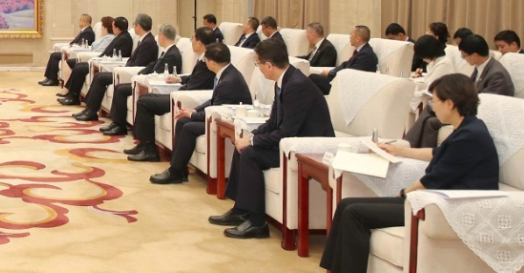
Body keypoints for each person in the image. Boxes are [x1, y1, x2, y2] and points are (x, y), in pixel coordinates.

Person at [308, 74, 499, 273]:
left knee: (355, 213)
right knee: (346, 204)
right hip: (432, 201)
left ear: (450, 103)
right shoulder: (467, 129)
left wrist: (404, 192)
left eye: (436, 101)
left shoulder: (470, 136)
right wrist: (398, 150)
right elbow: (438, 154)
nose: (433, 106)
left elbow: (433, 179)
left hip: (444, 208)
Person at [212, 38, 333, 239]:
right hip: (290, 141)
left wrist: (252, 142)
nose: (257, 67)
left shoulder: (296, 85)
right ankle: (241, 210)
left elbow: (286, 132)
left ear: (269, 65)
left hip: (306, 148)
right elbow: (273, 122)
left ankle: (257, 223)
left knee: (250, 153)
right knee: (242, 146)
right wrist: (251, 136)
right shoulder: (285, 80)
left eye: (258, 63)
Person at [149, 43, 252, 184]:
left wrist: (193, 116)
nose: (205, 62)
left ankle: (175, 171)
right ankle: (179, 170)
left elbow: (216, 109)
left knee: (188, 127)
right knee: (182, 122)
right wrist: (194, 110)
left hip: (228, 121)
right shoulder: (226, 73)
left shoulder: (229, 80)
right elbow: (213, 100)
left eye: (206, 60)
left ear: (212, 63)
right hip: (218, 115)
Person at [116, 27, 216, 158]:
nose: (191, 42)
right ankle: (143, 144)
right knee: (145, 97)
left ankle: (149, 149)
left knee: (144, 102)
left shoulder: (208, 61)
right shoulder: (203, 58)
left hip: (186, 98)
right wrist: (179, 78)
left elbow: (196, 85)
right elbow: (194, 78)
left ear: (199, 42)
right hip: (181, 93)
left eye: (193, 39)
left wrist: (178, 92)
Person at [404, 34, 515, 148]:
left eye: (464, 56)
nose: (464, 59)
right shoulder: (481, 67)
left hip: (478, 114)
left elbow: (486, 104)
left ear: (475, 55)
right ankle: (414, 149)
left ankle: (411, 146)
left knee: (431, 118)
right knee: (431, 109)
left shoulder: (497, 74)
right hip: (470, 108)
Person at [74, 21, 178, 127]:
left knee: (115, 86)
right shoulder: (163, 50)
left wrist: (140, 74)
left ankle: (115, 122)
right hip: (137, 74)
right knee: (103, 79)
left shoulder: (163, 49)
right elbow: (151, 65)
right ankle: (93, 110)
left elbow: (155, 70)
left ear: (162, 37)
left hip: (147, 80)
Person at [65, 14, 158, 111]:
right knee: (97, 75)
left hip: (130, 73)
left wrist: (122, 68)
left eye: (135, 25)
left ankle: (91, 109)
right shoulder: (143, 40)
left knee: (100, 77)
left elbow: (139, 64)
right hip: (124, 69)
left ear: (139, 26)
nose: (134, 27)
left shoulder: (147, 42)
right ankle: (89, 108)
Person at [58, 17, 132, 105]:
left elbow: (117, 56)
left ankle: (74, 97)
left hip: (108, 65)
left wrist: (99, 60)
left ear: (116, 27)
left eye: (113, 27)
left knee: (79, 68)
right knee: (78, 66)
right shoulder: (120, 36)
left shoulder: (124, 38)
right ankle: (71, 95)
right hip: (102, 61)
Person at [308, 25, 378, 95]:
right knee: (313, 81)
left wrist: (331, 74)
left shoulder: (366, 54)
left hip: (348, 87)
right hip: (343, 80)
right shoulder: (361, 51)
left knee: (313, 78)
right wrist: (331, 72)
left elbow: (352, 72)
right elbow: (345, 65)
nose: (349, 37)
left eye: (351, 34)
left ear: (358, 38)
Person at [39, 14, 97, 86]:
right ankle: (49, 78)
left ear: (84, 22)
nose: (79, 22)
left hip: (75, 53)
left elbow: (81, 44)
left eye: (80, 20)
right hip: (72, 51)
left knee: (55, 56)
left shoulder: (88, 32)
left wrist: (71, 46)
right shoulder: (84, 31)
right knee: (54, 55)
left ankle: (53, 79)